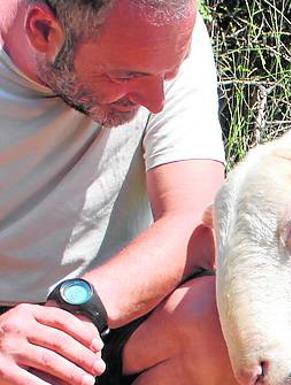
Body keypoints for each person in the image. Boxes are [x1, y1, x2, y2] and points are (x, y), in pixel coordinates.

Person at [0, 0, 238, 384]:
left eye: (170, 72)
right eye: (126, 75)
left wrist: (76, 309)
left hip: (108, 306)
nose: (155, 101)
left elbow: (198, 219)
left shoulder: (160, 36)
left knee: (225, 322)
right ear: (43, 30)